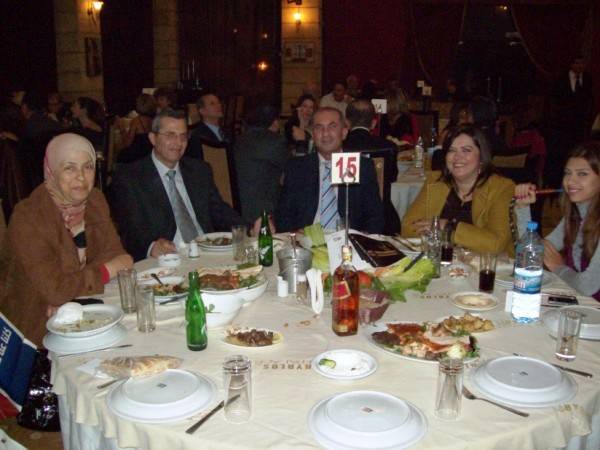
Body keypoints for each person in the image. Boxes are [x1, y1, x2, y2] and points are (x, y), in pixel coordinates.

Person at [0, 133, 133, 346]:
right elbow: (56, 289)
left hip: (85, 314)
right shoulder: (28, 217)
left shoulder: (95, 200)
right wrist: (106, 270)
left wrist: (70, 296)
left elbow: (116, 254)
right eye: (69, 168)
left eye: (88, 167)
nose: (81, 177)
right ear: (51, 171)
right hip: (36, 332)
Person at [109, 109, 244, 261]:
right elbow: (130, 230)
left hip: (207, 252)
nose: (178, 143)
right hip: (168, 259)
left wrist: (248, 228)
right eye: (170, 135)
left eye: (183, 136)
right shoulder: (131, 178)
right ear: (153, 138)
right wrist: (151, 246)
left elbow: (219, 211)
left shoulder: (199, 170)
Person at [402, 124, 515, 255]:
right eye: (452, 150)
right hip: (441, 261)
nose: (457, 157)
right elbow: (408, 227)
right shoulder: (435, 182)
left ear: (481, 157)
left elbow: (495, 243)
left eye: (466, 150)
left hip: (486, 265)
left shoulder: (501, 188)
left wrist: (447, 227)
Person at [275, 107, 384, 234]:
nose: (325, 133)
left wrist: (361, 237)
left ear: (344, 132)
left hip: (348, 239)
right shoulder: (297, 167)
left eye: (332, 127)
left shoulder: (361, 166)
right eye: (319, 128)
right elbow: (283, 215)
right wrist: (295, 233)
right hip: (308, 240)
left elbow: (375, 216)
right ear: (313, 135)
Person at [514, 142, 600, 300]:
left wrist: (559, 267)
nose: (570, 181)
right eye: (568, 173)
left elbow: (588, 286)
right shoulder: (574, 216)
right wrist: (523, 208)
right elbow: (534, 252)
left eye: (582, 174)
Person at [235, 103, 288, 223]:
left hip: (239, 206)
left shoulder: (239, 140)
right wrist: (301, 143)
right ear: (274, 122)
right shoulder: (275, 142)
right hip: (264, 210)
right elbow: (291, 172)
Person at [186, 92, 229, 159]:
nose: (219, 105)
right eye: (212, 104)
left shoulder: (226, 131)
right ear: (202, 111)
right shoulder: (198, 136)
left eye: (218, 102)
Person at [116, 93, 156, 163]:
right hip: (149, 154)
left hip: (136, 155)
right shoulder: (154, 120)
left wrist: (122, 128)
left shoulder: (137, 121)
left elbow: (127, 143)